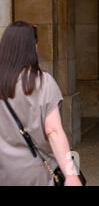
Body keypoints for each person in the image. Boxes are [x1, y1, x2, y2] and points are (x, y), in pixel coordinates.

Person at [0, 21, 82, 186]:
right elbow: (53, 131)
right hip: (36, 173)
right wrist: (71, 174)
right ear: (32, 47)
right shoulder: (43, 83)